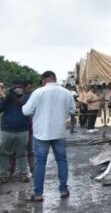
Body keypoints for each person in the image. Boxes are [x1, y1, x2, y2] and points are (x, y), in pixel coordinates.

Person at [22, 71, 76, 202]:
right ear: (55, 79)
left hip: (41, 134)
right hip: (58, 133)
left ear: (43, 80)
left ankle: (38, 194)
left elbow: (26, 111)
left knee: (40, 163)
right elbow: (72, 111)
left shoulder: (38, 93)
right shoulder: (66, 93)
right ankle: (63, 190)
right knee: (62, 161)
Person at [0, 81, 31, 183]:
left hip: (22, 130)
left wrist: (19, 99)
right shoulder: (7, 99)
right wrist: (7, 98)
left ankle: (23, 174)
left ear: (23, 88)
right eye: (15, 88)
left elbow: (30, 109)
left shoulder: (26, 98)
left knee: (22, 154)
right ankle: (3, 174)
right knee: (4, 153)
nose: (18, 89)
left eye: (19, 87)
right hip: (7, 130)